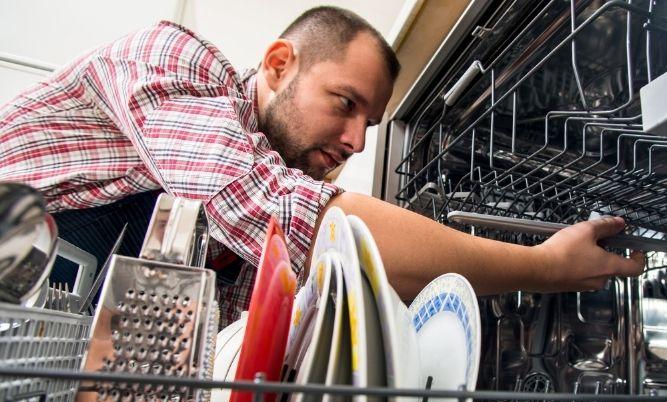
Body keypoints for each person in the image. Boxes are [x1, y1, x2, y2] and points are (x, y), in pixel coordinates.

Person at [0, 6, 645, 326]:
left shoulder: (242, 244)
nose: (359, 141)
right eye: (346, 104)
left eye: (371, 121)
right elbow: (297, 218)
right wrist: (544, 268)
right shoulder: (175, 63)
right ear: (280, 65)